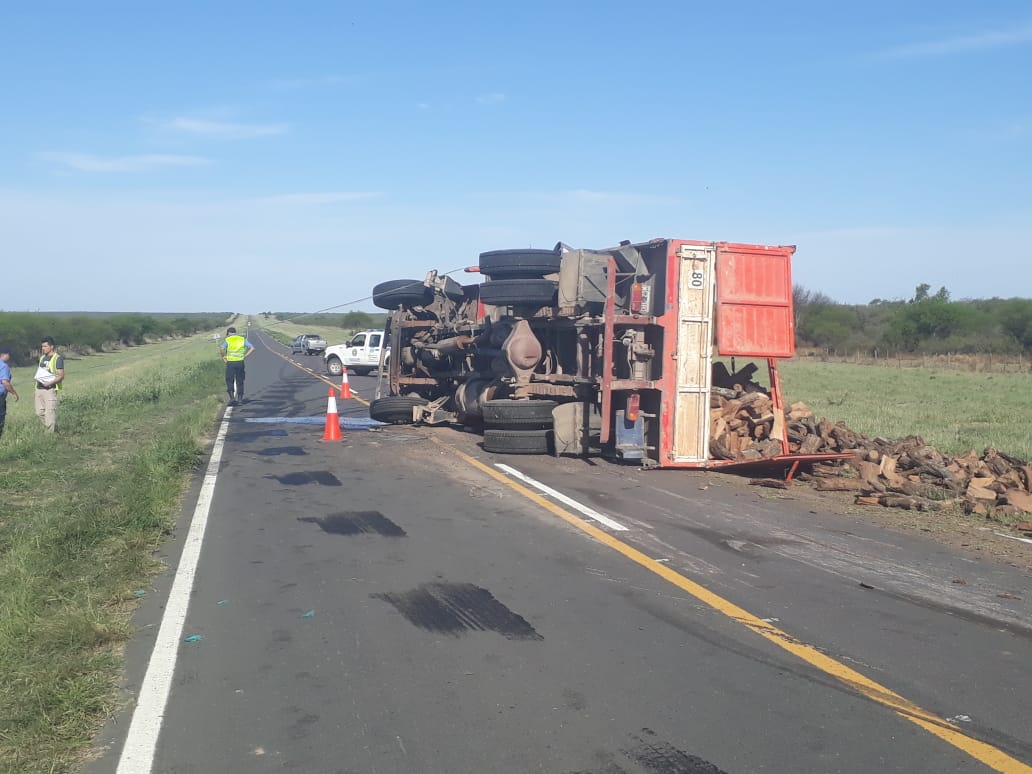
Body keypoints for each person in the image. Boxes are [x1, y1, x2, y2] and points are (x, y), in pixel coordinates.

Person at [35, 337, 64, 433]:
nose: (43, 348)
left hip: (50, 389)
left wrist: (50, 383)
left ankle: (50, 435)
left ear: (51, 346)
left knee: (49, 413)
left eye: (45, 346)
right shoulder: (42, 358)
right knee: (39, 413)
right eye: (42, 346)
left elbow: (61, 376)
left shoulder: (57, 358)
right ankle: (50, 429)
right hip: (39, 388)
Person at [220, 326, 254, 405]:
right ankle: (240, 400)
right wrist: (245, 356)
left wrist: (224, 357)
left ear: (228, 333)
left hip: (230, 363)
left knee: (229, 380)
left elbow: (221, 349)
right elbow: (252, 348)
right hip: (240, 362)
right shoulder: (242, 339)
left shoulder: (228, 340)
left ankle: (232, 398)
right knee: (240, 381)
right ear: (235, 332)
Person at [0, 345, 20, 439]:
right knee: (1, 416)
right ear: (5, 354)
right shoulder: (4, 366)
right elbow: (5, 382)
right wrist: (14, 393)